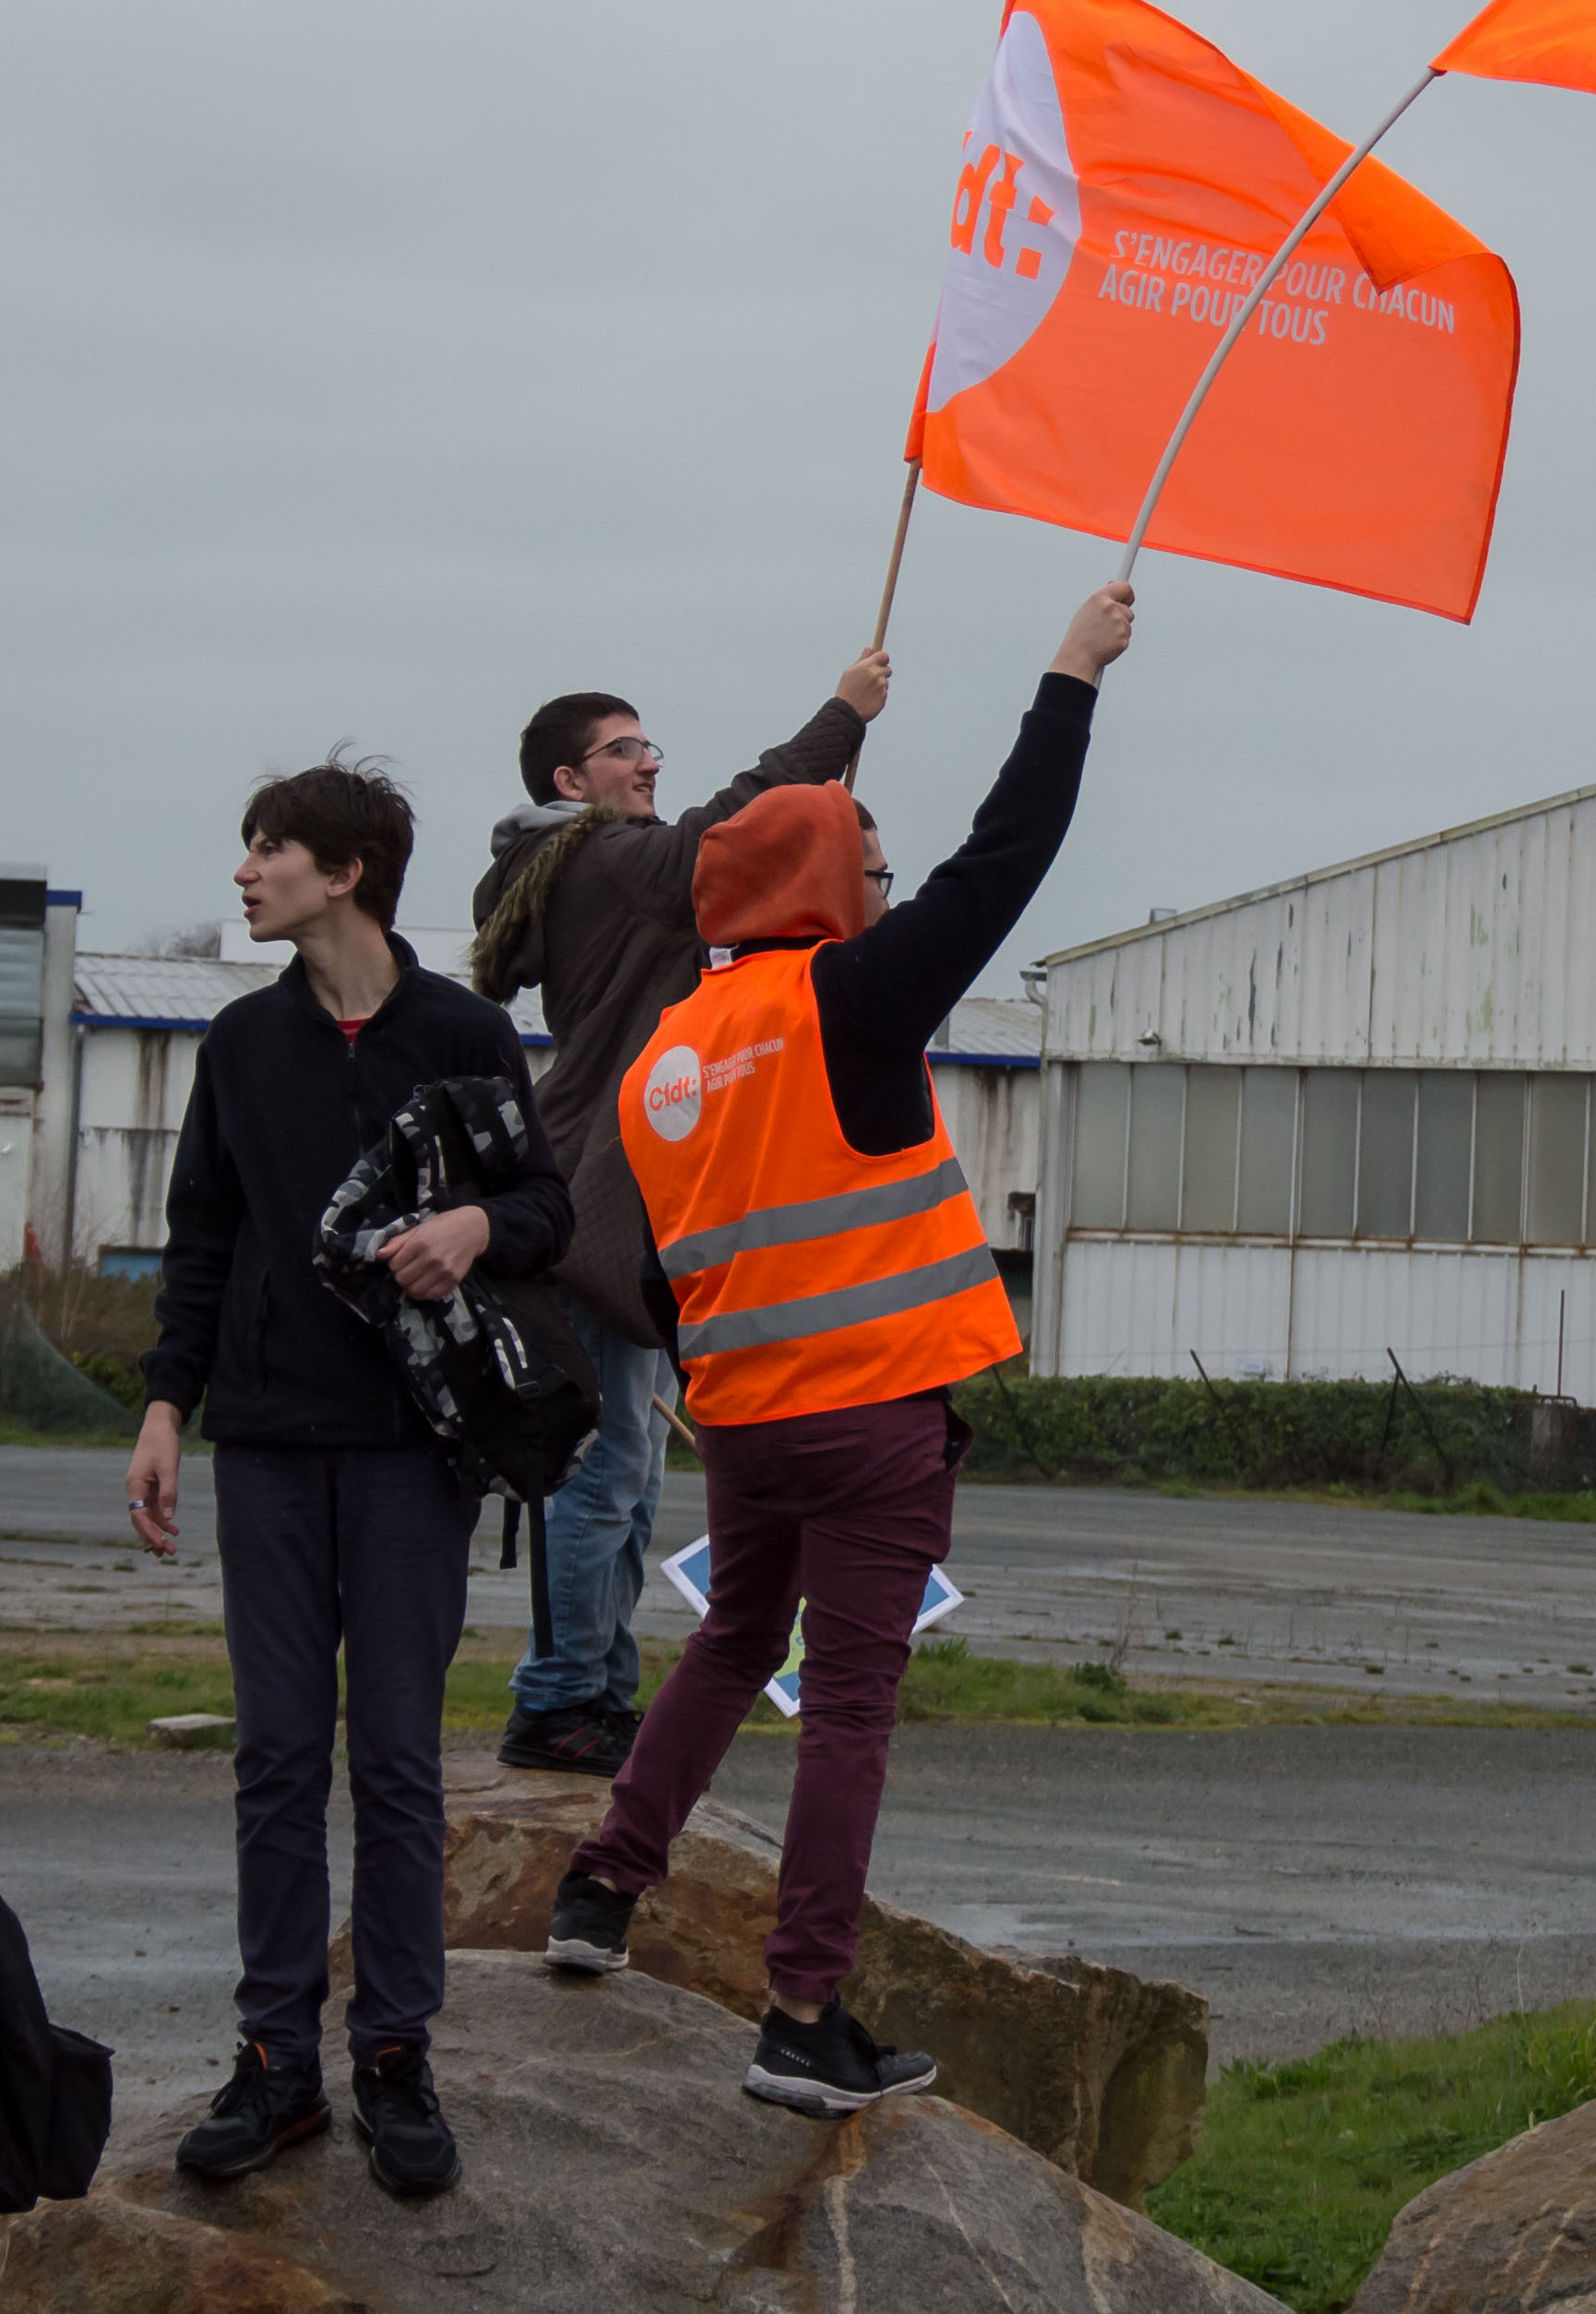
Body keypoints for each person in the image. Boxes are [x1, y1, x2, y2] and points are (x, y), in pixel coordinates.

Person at [542, 582, 1133, 2118]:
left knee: (735, 1642)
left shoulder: (671, 1052)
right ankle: (801, 2014)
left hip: (743, 1420)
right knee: (847, 1705)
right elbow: (1006, 857)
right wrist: (1067, 676)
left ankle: (600, 1890)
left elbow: (645, 1262)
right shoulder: (854, 1003)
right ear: (821, 885)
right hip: (876, 1422)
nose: (884, 879)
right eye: (865, 861)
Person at [129, 756, 570, 2200]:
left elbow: (546, 1207)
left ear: (346, 873)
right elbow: (202, 1236)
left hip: (408, 1451)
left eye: (271, 850)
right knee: (272, 1759)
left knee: (390, 1761)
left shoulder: (463, 1031)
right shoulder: (240, 1045)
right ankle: (275, 2063)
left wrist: (472, 1231)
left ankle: (394, 2054)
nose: (246, 873)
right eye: (249, 846)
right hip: (261, 1440)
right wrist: (162, 1404)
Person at [468, 653, 887, 1777]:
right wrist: (840, 717)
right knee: (599, 1476)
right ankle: (559, 1698)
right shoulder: (604, 857)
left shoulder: (583, 864)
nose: (650, 763)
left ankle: (597, 1694)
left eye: (650, 746)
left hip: (631, 1206)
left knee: (632, 1477)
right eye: (625, 749)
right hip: (602, 1207)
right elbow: (730, 824)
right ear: (570, 780)